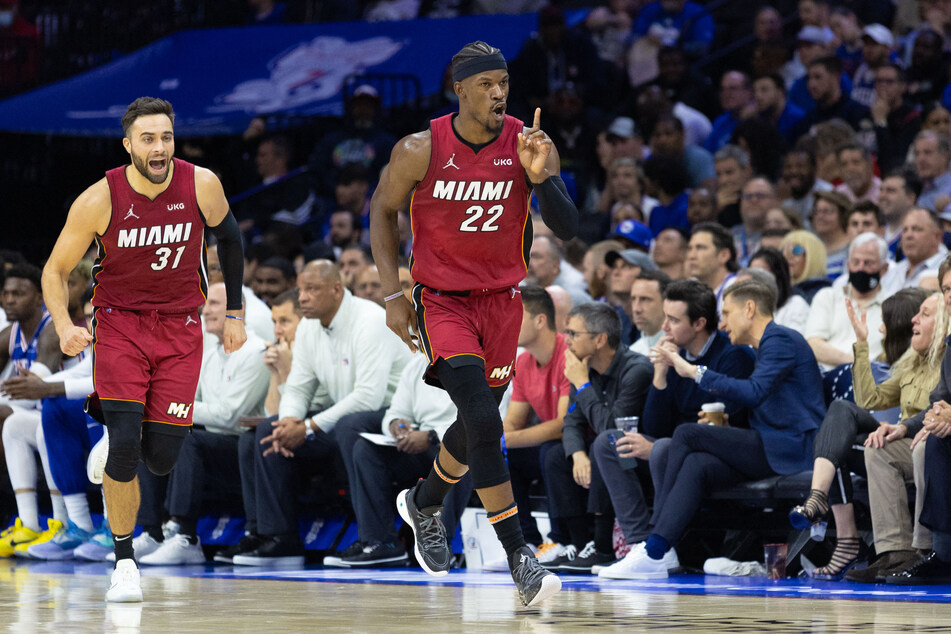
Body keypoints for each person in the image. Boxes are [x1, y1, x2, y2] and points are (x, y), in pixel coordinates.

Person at [369, 41, 577, 607]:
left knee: (474, 424)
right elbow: (382, 211)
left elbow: (568, 226)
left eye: (503, 82)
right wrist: (393, 292)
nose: (498, 92)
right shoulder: (419, 148)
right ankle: (520, 557)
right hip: (442, 301)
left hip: (503, 301)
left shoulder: (528, 144)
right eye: (485, 84)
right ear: (458, 89)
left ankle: (425, 501)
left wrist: (542, 178)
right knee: (485, 417)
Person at [40, 97, 247, 603]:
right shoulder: (99, 198)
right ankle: (125, 561)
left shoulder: (201, 183)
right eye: (149, 139)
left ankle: (114, 442)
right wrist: (65, 325)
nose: (160, 148)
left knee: (160, 459)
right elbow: (54, 271)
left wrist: (236, 312)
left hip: (181, 328)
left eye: (167, 137)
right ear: (129, 145)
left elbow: (232, 239)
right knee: (130, 448)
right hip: (120, 325)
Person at [620, 280, 823, 578]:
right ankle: (658, 548)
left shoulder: (780, 339)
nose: (723, 321)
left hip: (793, 447)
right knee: (697, 464)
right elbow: (766, 400)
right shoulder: (765, 345)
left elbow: (755, 392)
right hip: (771, 443)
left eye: (727, 312)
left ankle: (655, 548)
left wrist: (693, 371)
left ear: (750, 309)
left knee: (688, 433)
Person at [231, 261, 409, 567]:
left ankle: (381, 540)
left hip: (392, 422)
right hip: (343, 420)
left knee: (351, 424)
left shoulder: (370, 321)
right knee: (267, 432)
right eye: (301, 289)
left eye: (311, 289)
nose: (302, 298)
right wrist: (289, 421)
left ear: (336, 290)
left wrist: (309, 426)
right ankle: (280, 539)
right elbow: (299, 388)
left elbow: (368, 398)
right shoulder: (311, 328)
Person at [594, 279, 755, 579]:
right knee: (609, 442)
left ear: (699, 323)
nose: (664, 326)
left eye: (674, 319)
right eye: (665, 316)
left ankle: (662, 547)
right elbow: (655, 425)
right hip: (671, 445)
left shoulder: (731, 357)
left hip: (711, 453)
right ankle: (639, 543)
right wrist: (660, 373)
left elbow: (727, 424)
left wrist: (655, 446)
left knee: (664, 448)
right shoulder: (673, 353)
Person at [789, 288, 939, 580]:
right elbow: (870, 400)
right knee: (840, 418)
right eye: (915, 315)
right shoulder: (911, 362)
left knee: (840, 438)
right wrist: (861, 343)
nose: (914, 322)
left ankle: (841, 531)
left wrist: (902, 427)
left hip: (923, 442)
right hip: (901, 442)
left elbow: (940, 408)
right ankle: (891, 554)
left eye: (924, 315)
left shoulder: (944, 361)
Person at [137, 283, 270, 565]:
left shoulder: (256, 352)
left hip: (245, 452)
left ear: (238, 310)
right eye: (205, 304)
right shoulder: (209, 355)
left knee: (187, 437)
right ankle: (152, 531)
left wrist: (171, 409)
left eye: (214, 304)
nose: (205, 310)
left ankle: (185, 535)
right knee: (153, 433)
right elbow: (182, 404)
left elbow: (228, 416)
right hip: (213, 445)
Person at [542, 303, 652, 573]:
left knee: (605, 444)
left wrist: (582, 385)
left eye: (573, 333)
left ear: (600, 339)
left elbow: (613, 428)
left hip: (642, 455)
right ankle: (580, 545)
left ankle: (603, 546)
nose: (566, 340)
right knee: (555, 454)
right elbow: (571, 423)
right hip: (612, 449)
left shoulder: (636, 369)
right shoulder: (585, 368)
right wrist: (578, 454)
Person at [496, 285, 572, 566]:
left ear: (540, 320)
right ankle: (524, 542)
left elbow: (564, 425)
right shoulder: (523, 361)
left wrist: (502, 440)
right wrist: (494, 441)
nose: (506, 323)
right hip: (549, 446)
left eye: (515, 315)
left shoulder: (569, 353)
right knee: (502, 458)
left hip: (580, 445)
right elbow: (513, 421)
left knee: (549, 450)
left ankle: (559, 540)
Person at [805, 232, 889, 370]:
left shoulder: (892, 306)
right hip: (824, 379)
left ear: (884, 269)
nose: (861, 268)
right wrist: (858, 363)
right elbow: (813, 345)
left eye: (868, 263)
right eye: (856, 262)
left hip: (869, 384)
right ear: (848, 265)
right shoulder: (827, 297)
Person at [748, 247, 811, 333]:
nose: (755, 281)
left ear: (778, 277)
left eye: (761, 274)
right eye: (753, 275)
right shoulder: (750, 312)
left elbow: (792, 344)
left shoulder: (796, 305)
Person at [684, 222, 738, 312]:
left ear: (723, 255)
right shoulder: (689, 287)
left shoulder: (737, 289)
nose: (691, 256)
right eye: (690, 248)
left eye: (700, 248)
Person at [780, 230, 830, 303]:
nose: (788, 256)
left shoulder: (822, 289)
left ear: (813, 256)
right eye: (783, 251)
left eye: (796, 250)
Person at [629, 270, 671, 356]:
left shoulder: (681, 350)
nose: (636, 309)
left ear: (666, 302)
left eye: (645, 299)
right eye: (633, 299)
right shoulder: (632, 351)